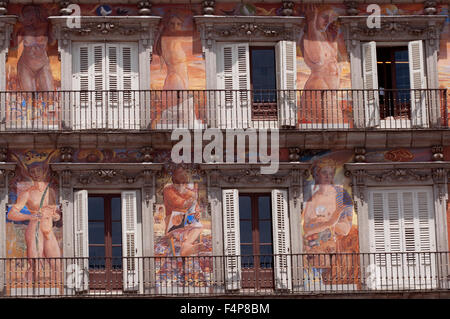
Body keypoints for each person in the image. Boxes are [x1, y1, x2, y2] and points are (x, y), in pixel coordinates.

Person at [7, 155, 61, 284]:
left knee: (57, 265)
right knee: (36, 265)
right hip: (35, 231)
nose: (36, 174)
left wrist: (55, 216)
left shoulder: (51, 191)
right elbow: (11, 214)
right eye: (32, 171)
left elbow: (56, 213)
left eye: (38, 171)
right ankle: (30, 288)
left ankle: (57, 291)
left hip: (48, 231)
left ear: (44, 171)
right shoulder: (27, 193)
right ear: (29, 174)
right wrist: (30, 216)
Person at [301, 158, 353, 279]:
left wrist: (325, 223)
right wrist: (329, 222)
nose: (328, 176)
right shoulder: (312, 199)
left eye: (331, 173)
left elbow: (345, 229)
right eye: (324, 172)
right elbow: (307, 228)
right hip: (316, 251)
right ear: (316, 174)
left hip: (335, 249)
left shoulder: (341, 195)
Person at [299, 5, 342, 125]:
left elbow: (332, 59)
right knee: (329, 135)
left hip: (328, 92)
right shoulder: (310, 35)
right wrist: (311, 22)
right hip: (319, 90)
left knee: (335, 132)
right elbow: (317, 59)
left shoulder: (323, 36)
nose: (328, 21)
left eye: (330, 18)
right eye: (324, 17)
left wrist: (334, 38)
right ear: (315, 16)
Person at [162, 166, 204, 256]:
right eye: (178, 183)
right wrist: (189, 195)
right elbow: (180, 203)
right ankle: (185, 245)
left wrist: (197, 213)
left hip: (185, 219)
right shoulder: (168, 190)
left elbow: (195, 204)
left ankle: (186, 245)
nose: (181, 185)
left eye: (183, 182)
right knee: (192, 222)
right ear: (174, 181)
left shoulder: (187, 190)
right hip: (172, 220)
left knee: (199, 225)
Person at [14, 5, 55, 92]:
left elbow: (52, 42)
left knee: (49, 95)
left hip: (42, 64)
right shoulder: (23, 30)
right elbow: (14, 45)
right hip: (25, 66)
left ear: (35, 14)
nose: (25, 18)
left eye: (28, 15)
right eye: (24, 15)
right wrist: (16, 30)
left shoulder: (46, 27)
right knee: (29, 97)